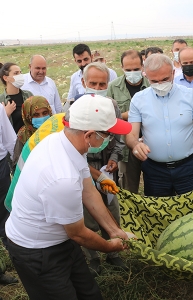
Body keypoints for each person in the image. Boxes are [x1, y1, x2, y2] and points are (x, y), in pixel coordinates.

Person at [5, 95, 131, 300]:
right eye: (108, 135)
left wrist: (114, 230)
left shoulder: (66, 141)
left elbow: (88, 190)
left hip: (61, 240)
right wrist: (109, 246)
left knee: (89, 293)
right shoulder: (61, 178)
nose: (110, 140)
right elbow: (78, 233)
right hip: (36, 251)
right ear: (89, 135)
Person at [126, 53, 193, 197]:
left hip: (188, 169)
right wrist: (135, 145)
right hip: (155, 172)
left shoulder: (190, 96)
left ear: (173, 73)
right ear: (146, 76)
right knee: (160, 215)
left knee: (192, 213)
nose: (160, 84)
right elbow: (131, 135)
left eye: (165, 79)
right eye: (154, 81)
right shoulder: (139, 100)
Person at [78, 63, 127, 276]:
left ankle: (114, 254)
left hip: (107, 167)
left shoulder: (112, 106)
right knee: (88, 215)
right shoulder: (74, 107)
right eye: (93, 83)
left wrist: (115, 158)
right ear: (83, 83)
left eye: (102, 84)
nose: (97, 87)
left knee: (111, 209)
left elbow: (119, 137)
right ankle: (93, 258)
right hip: (83, 169)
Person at [107, 50, 149, 193]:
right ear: (122, 68)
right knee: (128, 189)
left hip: (150, 144)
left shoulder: (151, 84)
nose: (132, 73)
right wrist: (128, 115)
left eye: (136, 69)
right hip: (125, 147)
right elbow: (108, 117)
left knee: (153, 187)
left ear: (142, 66)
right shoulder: (113, 87)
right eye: (128, 70)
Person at [0, 104, 18, 286]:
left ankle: (17, 261)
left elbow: (10, 141)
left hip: (0, 170)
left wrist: (21, 171)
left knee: (5, 217)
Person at [12, 96, 52, 166]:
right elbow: (18, 163)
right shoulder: (23, 135)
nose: (41, 118)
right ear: (28, 116)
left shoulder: (57, 129)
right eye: (36, 115)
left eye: (45, 113)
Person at [0, 63, 33, 133]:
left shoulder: (28, 95)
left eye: (20, 72)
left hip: (29, 140)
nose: (20, 75)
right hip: (11, 142)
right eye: (16, 73)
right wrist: (4, 115)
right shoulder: (1, 101)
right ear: (5, 78)